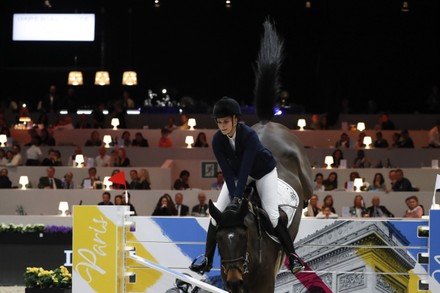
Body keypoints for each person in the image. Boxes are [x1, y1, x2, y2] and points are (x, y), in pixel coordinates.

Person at [189, 97, 303, 275]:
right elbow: (227, 171)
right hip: (235, 176)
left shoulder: (248, 135)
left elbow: (246, 169)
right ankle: (207, 259)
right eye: (219, 122)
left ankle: (293, 256)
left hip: (262, 172)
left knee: (272, 215)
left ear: (235, 119)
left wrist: (237, 198)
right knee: (216, 213)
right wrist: (234, 198)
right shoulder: (217, 140)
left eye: (226, 121)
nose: (222, 126)